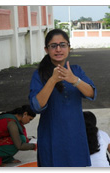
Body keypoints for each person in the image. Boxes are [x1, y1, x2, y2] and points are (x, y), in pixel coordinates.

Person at [29, 29, 97, 167]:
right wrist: (53, 80)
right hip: (51, 136)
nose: (58, 49)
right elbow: (37, 106)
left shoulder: (76, 70)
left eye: (62, 45)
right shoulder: (39, 75)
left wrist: (74, 80)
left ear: (69, 48)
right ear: (46, 49)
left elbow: (92, 93)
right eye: (53, 46)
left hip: (75, 135)